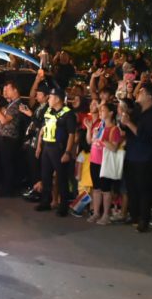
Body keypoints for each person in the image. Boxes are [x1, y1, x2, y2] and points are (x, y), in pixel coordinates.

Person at [119, 83, 152, 232]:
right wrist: (124, 120)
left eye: (142, 92)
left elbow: (147, 137)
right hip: (131, 154)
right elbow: (125, 128)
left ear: (149, 97)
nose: (139, 93)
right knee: (131, 188)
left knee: (144, 190)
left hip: (146, 157)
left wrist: (129, 123)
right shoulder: (137, 111)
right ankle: (134, 215)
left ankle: (144, 219)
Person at [35, 87, 77, 216]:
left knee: (62, 178)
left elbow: (71, 134)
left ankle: (63, 206)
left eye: (51, 97)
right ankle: (45, 202)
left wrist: (68, 152)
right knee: (45, 176)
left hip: (59, 148)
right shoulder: (49, 111)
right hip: (47, 147)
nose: (49, 99)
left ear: (58, 99)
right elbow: (43, 128)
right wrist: (39, 145)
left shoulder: (68, 114)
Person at [86, 102, 123, 225]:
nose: (100, 112)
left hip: (105, 163)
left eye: (103, 110)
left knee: (106, 190)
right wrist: (89, 129)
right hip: (94, 160)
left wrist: (101, 138)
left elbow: (114, 148)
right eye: (100, 110)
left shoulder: (114, 129)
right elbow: (90, 141)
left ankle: (106, 214)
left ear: (111, 113)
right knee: (96, 188)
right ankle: (96, 212)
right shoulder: (100, 126)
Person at [0, 81, 23, 196]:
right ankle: (5, 186)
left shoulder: (17, 104)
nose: (6, 92)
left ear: (15, 90)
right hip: (4, 137)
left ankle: (8, 190)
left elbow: (4, 120)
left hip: (9, 138)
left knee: (8, 164)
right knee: (5, 164)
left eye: (8, 89)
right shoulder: (12, 103)